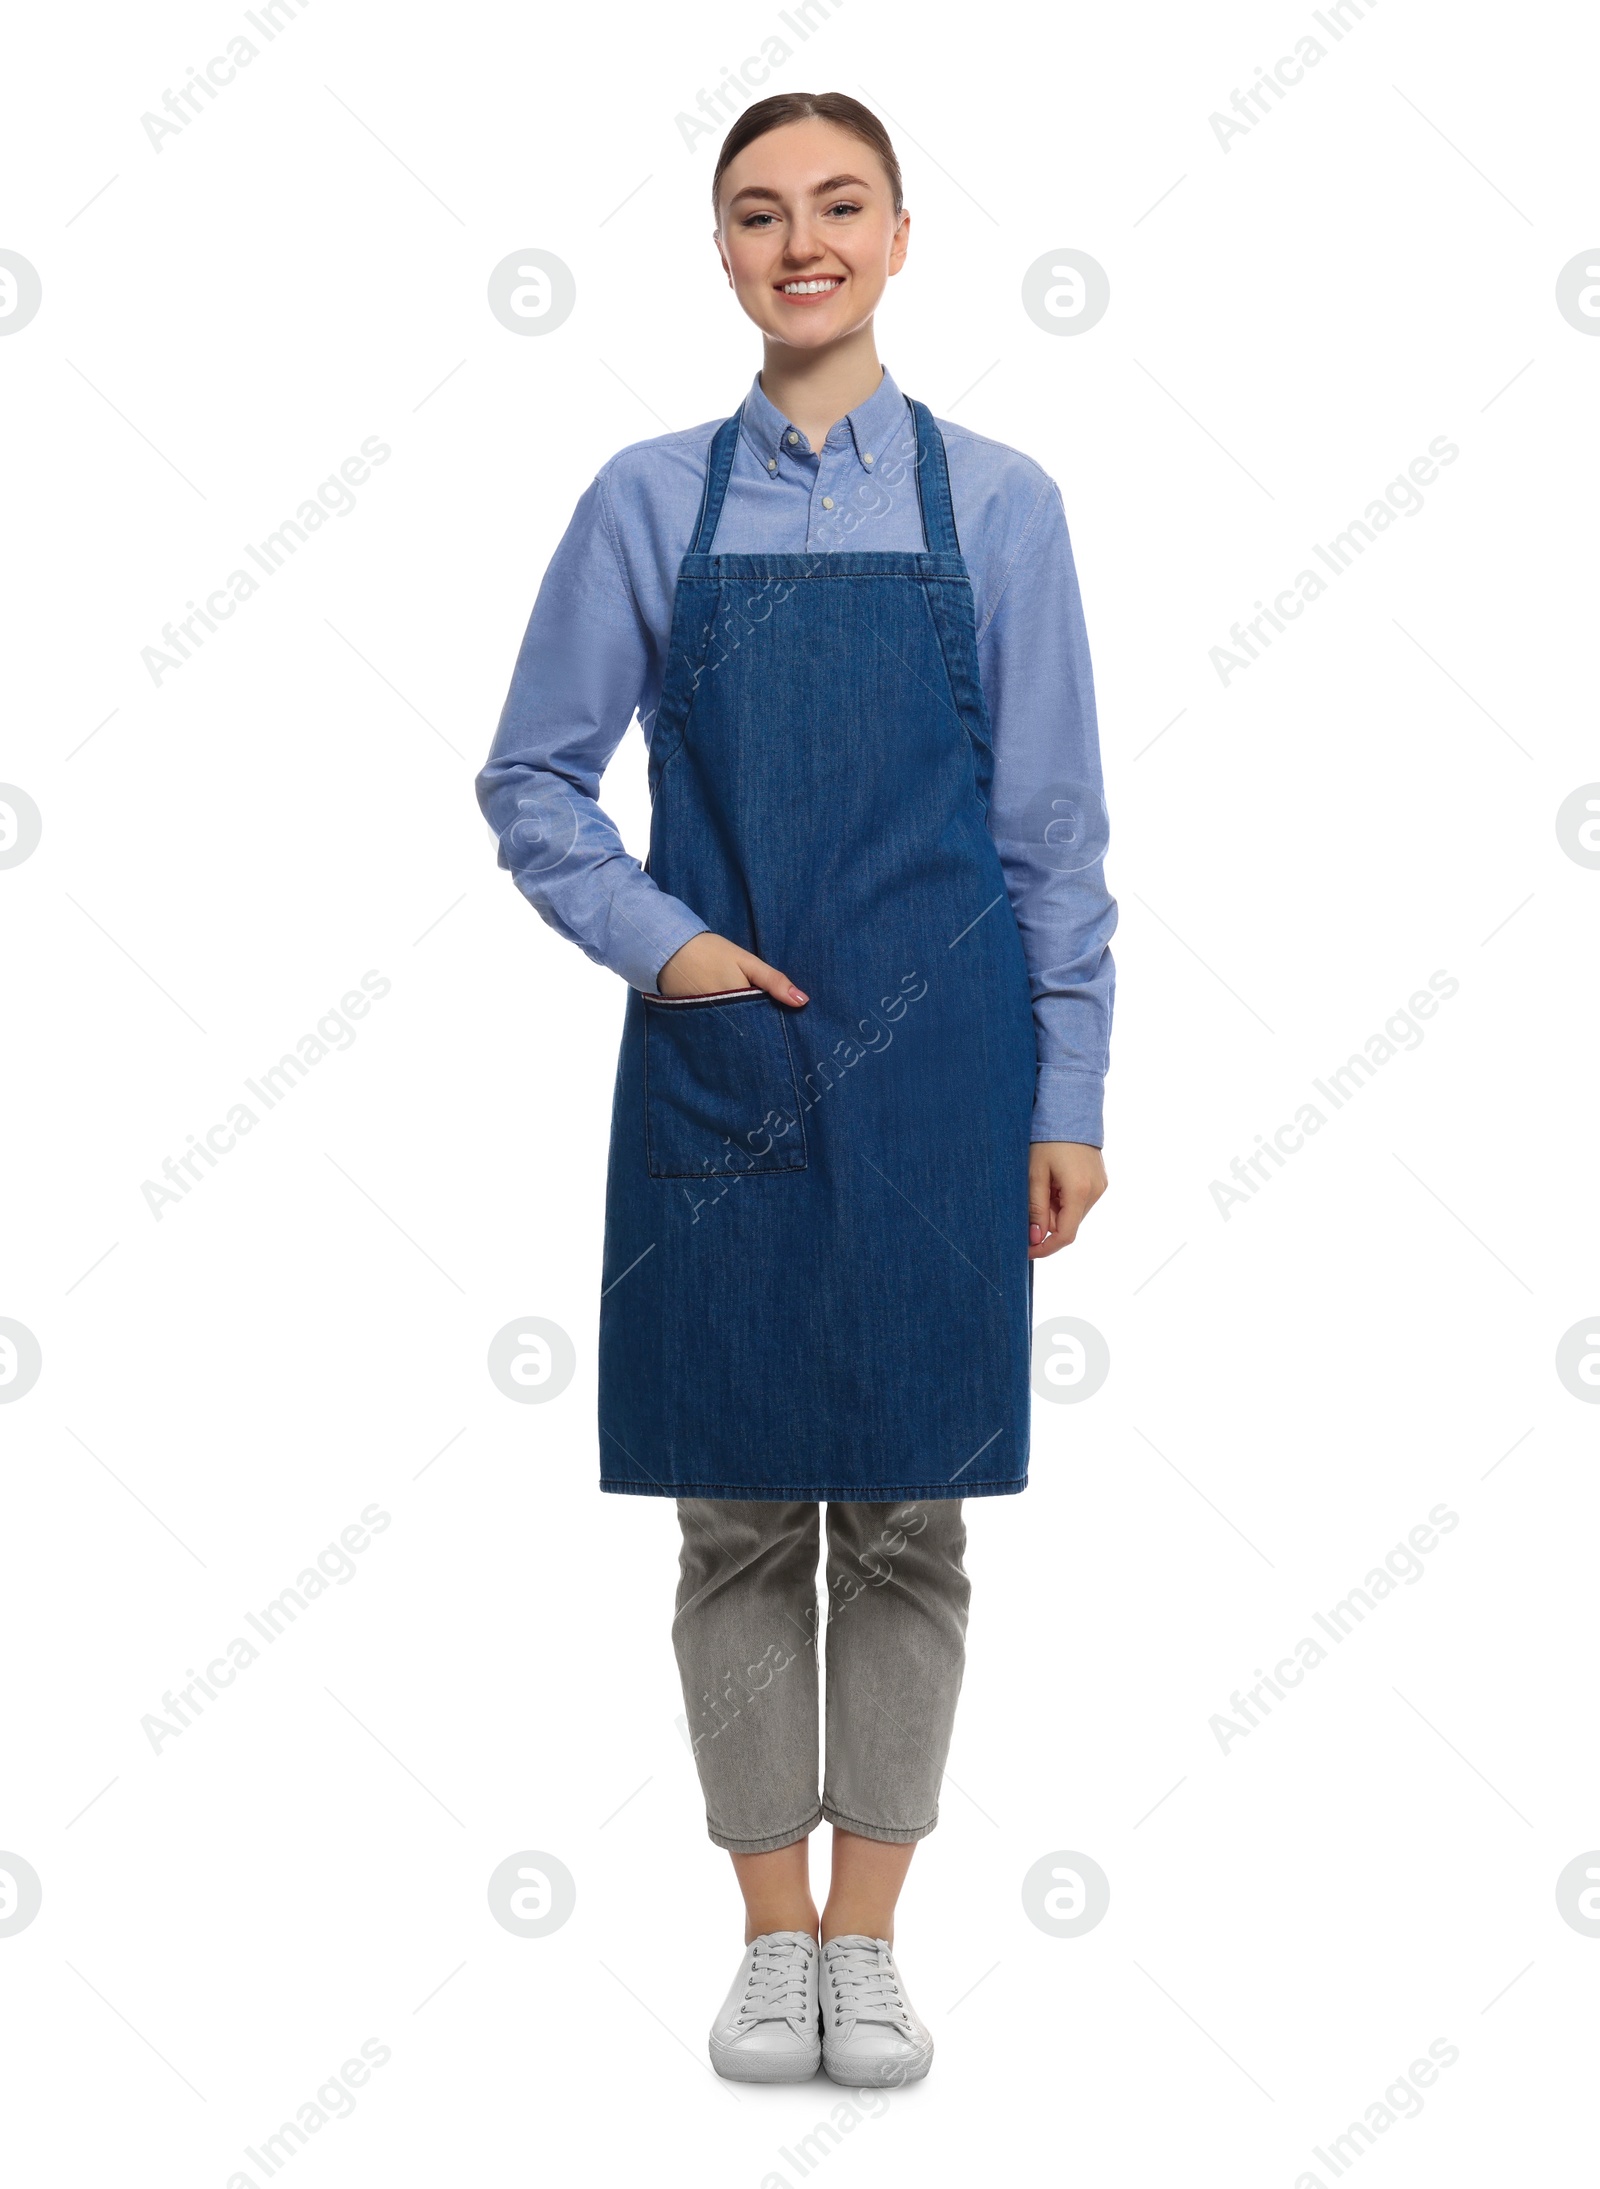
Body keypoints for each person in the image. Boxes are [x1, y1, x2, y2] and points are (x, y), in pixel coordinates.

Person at [475, 90, 1116, 2087]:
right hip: (721, 1076)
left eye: (838, 206)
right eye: (758, 214)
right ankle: (770, 1946)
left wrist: (1064, 1081)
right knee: (742, 1524)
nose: (799, 241)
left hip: (944, 1072)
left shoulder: (997, 503)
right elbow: (529, 784)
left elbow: (1052, 828)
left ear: (902, 239)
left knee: (909, 1525)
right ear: (723, 254)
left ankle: (871, 1944)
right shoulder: (646, 501)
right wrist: (662, 943)